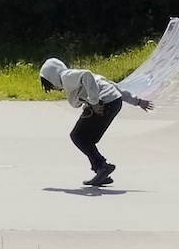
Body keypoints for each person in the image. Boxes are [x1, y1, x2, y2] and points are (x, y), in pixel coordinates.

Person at [40, 56, 153, 187]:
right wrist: (137, 101)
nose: (53, 88)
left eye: (50, 85)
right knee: (87, 140)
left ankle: (102, 167)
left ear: (52, 77)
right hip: (114, 102)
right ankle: (101, 172)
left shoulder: (66, 77)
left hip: (105, 103)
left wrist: (93, 102)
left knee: (77, 136)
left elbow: (86, 74)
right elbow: (113, 86)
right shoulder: (75, 79)